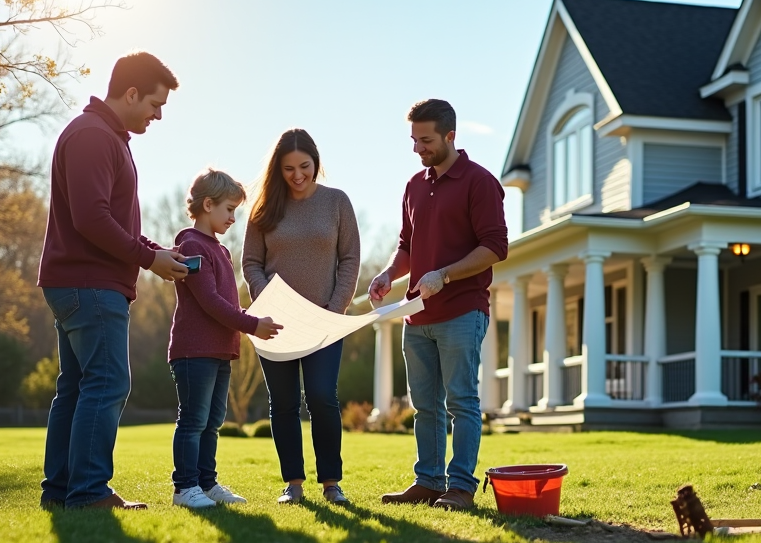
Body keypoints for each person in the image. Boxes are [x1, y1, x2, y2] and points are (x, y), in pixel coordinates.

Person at [37, 52, 188, 510]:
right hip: (90, 284)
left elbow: (108, 218)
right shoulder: (92, 136)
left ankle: (62, 491)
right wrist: (147, 258)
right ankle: (87, 491)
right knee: (107, 383)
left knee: (78, 385)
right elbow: (91, 219)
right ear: (130, 93)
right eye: (155, 104)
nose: (158, 115)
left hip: (82, 282)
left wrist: (153, 250)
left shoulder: (105, 136)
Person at [369, 99, 508, 511]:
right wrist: (387, 275)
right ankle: (428, 481)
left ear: (450, 136)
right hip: (416, 315)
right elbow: (406, 247)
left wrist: (444, 274)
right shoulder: (414, 185)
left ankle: (460, 487)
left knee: (461, 400)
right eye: (414, 140)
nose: (418, 149)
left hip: (463, 311)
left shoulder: (479, 182)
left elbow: (495, 247)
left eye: (425, 140)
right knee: (424, 405)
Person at [242, 129, 361, 505]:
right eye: (289, 168)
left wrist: (336, 306)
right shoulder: (263, 208)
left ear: (316, 163)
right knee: (284, 403)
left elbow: (350, 259)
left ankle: (331, 483)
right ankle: (293, 483)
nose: (297, 175)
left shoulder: (337, 202)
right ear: (278, 168)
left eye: (304, 167)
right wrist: (270, 299)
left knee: (323, 397)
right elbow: (251, 263)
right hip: (276, 322)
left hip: (325, 319)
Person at [168, 169, 283, 508]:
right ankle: (184, 487)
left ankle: (206, 483)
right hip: (194, 351)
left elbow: (227, 303)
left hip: (219, 351)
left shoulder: (220, 250)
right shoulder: (191, 245)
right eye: (229, 209)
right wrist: (252, 324)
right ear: (208, 204)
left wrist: (253, 315)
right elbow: (211, 303)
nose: (234, 217)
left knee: (213, 422)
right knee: (193, 421)